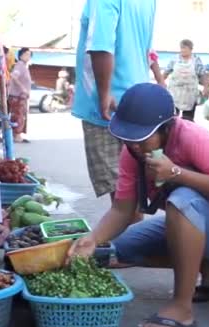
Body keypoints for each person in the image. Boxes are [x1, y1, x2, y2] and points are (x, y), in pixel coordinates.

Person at [68, 83, 209, 327]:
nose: (135, 145)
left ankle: (181, 307)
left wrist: (177, 172)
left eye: (142, 137)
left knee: (182, 199)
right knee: (122, 248)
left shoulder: (194, 138)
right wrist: (94, 239)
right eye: (128, 137)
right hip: (208, 226)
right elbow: (122, 210)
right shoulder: (134, 151)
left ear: (166, 128)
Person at [73, 0, 157, 201]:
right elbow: (147, 51)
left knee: (122, 195)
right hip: (138, 100)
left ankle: (129, 233)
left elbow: (101, 46)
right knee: (135, 190)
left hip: (108, 108)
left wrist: (104, 93)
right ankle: (134, 232)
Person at [164, 39, 209, 121]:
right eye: (181, 48)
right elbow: (166, 72)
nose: (182, 50)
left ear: (191, 49)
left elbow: (203, 74)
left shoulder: (196, 60)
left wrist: (206, 87)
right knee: (172, 118)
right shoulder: (174, 59)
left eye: (185, 48)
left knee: (188, 119)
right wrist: (160, 83)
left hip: (190, 93)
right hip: (175, 92)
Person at [8, 48, 33, 143]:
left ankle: (17, 134)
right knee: (18, 115)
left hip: (21, 96)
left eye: (29, 54)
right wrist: (23, 88)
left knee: (20, 115)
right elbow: (14, 76)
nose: (28, 56)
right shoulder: (20, 65)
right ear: (21, 55)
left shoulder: (24, 66)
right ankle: (16, 135)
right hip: (17, 96)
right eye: (26, 54)